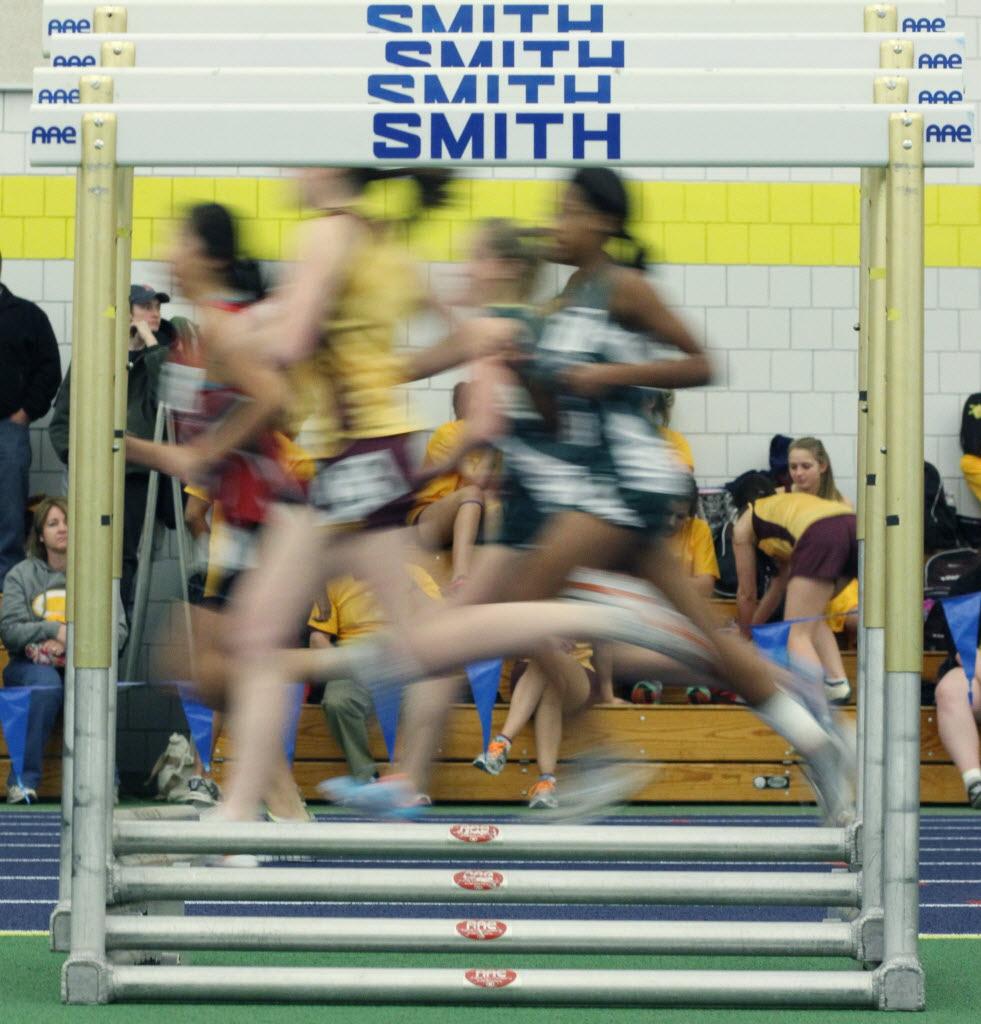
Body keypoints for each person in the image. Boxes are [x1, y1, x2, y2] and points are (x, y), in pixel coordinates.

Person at [291, 178, 853, 826]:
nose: (556, 222)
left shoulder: (617, 288)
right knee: (678, 637)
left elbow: (701, 364)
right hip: (590, 491)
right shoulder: (558, 309)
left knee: (530, 612)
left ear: (604, 222)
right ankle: (813, 734)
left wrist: (606, 377)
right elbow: (542, 406)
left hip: (625, 485)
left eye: (568, 212)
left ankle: (598, 726)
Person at [49, 283, 178, 615]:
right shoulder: (96, 356)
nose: (154, 313)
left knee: (125, 563)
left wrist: (150, 344)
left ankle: (118, 646)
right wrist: (74, 458)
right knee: (86, 554)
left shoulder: (161, 357)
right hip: (93, 475)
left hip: (136, 476)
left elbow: (173, 400)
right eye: (145, 306)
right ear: (126, 313)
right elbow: (62, 417)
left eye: (157, 308)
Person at [1, 498, 126, 802]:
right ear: (40, 535)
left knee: (90, 685)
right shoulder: (21, 574)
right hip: (29, 667)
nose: (62, 529)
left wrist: (74, 642)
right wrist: (53, 631)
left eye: (67, 522)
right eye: (53, 523)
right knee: (47, 685)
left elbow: (119, 631)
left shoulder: (96, 575)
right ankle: (22, 782)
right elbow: (9, 630)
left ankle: (105, 782)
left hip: (81, 663)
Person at [733, 486, 857, 706]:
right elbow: (779, 586)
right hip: (853, 525)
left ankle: (815, 711)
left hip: (821, 531)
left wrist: (743, 641)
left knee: (797, 631)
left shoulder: (743, 526)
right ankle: (837, 684)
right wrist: (753, 630)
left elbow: (746, 594)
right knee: (810, 614)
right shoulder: (781, 516)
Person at [0, 252, 62, 589]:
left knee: (9, 519)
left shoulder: (27, 316)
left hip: (8, 431)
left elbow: (49, 368)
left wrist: (24, 413)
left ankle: (6, 596)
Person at [408, 382, 497, 590]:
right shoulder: (448, 432)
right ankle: (460, 577)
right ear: (462, 404)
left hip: (472, 515)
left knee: (496, 502)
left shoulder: (492, 439)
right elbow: (477, 480)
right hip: (429, 519)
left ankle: (492, 575)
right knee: (473, 492)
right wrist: (492, 444)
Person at [788, 436, 858, 690]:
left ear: (822, 466)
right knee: (805, 610)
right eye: (793, 467)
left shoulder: (840, 504)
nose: (798, 474)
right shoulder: (783, 500)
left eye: (805, 466)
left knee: (809, 611)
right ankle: (831, 681)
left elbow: (848, 561)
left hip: (838, 581)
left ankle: (830, 682)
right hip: (800, 579)